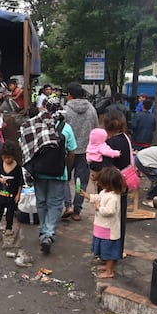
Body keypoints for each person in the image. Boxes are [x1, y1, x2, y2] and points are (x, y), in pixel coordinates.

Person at [34, 97, 77, 254]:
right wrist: (67, 167)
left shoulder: (38, 124)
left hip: (39, 172)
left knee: (41, 202)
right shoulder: (66, 128)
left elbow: (24, 143)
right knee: (55, 204)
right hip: (59, 173)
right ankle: (48, 234)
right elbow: (72, 151)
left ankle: (42, 231)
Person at [79, 166, 127, 279]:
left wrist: (99, 208)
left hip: (109, 230)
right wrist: (87, 195)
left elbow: (110, 211)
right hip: (102, 227)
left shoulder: (113, 197)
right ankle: (107, 266)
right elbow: (97, 197)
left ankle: (109, 270)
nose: (99, 184)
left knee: (109, 251)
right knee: (104, 248)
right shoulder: (105, 192)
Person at [61, 82, 99, 221]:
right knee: (80, 181)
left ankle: (68, 205)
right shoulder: (92, 110)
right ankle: (77, 211)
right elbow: (96, 129)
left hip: (67, 151)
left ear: (69, 95)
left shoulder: (65, 111)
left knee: (64, 178)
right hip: (85, 152)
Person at [101, 109, 133, 253]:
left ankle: (110, 257)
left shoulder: (110, 143)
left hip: (111, 187)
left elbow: (106, 166)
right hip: (122, 184)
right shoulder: (125, 138)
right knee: (119, 221)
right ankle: (115, 253)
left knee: (110, 222)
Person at [0, 140, 24, 240]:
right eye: (4, 157)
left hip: (11, 197)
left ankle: (9, 228)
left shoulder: (18, 168)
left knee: (10, 213)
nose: (7, 160)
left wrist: (18, 194)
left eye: (9, 157)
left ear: (13, 156)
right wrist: (0, 179)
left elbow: (20, 183)